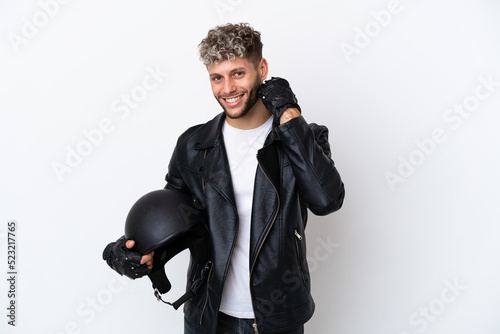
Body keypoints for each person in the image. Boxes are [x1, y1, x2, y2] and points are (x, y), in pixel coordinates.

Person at [104, 22, 344, 334]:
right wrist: (134, 252)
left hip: (279, 317)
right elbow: (176, 222)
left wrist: (288, 113)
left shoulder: (303, 137)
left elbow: (327, 201)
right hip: (209, 316)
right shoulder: (194, 145)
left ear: (262, 68)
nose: (227, 88)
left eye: (238, 73)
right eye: (217, 77)